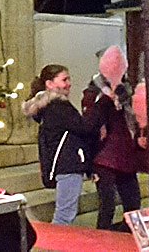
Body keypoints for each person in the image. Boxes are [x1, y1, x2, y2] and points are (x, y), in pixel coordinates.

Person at [23, 63, 112, 225]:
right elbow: (85, 127)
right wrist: (101, 103)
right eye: (64, 80)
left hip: (66, 164)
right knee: (64, 215)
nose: (69, 84)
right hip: (68, 165)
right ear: (50, 84)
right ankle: (53, 241)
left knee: (65, 212)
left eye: (69, 79)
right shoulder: (58, 106)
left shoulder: (49, 107)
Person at [82, 46, 143, 231]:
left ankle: (126, 239)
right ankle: (101, 241)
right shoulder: (93, 93)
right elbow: (90, 124)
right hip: (104, 156)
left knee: (133, 204)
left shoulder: (127, 91)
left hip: (125, 154)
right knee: (107, 206)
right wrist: (108, 97)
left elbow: (133, 119)